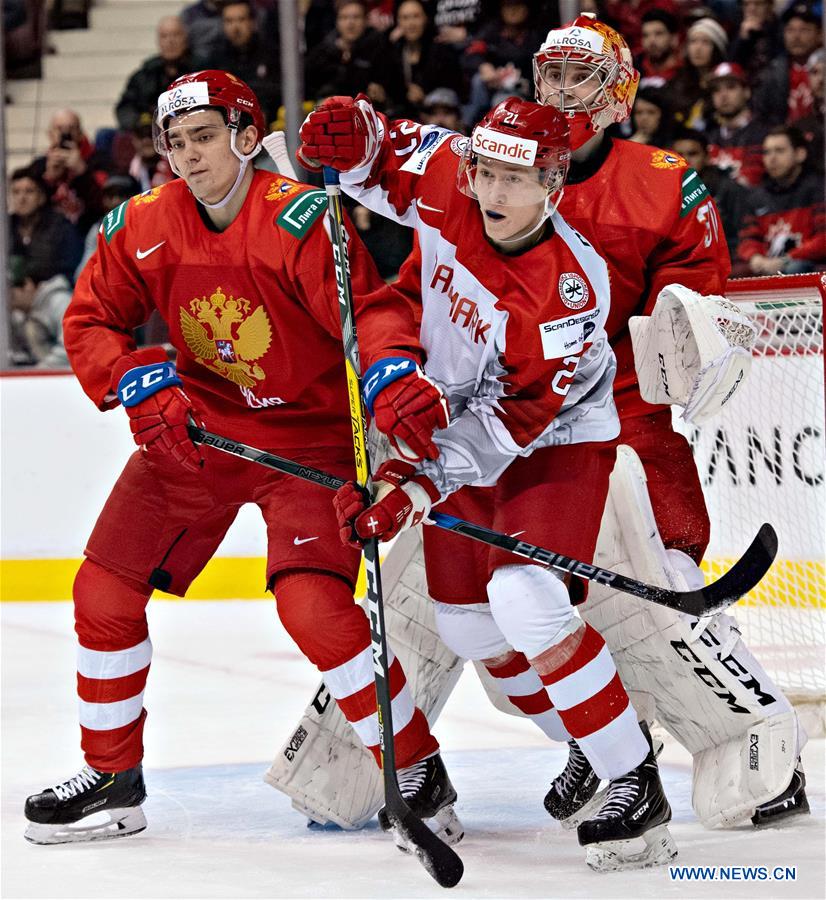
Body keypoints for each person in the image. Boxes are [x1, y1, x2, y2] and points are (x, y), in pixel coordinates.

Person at [290, 11, 808, 843]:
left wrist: (694, 349)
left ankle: (751, 739)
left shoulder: (662, 187)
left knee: (660, 584)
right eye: (552, 74)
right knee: (460, 613)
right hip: (477, 420)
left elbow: (690, 324)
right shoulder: (478, 175)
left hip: (610, 417)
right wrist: (394, 374)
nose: (563, 91)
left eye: (582, 77)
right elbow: (411, 265)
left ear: (618, 96)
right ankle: (585, 740)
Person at [22, 70, 459, 850]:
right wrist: (131, 378)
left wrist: (390, 371)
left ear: (248, 138)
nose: (189, 156)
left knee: (313, 608)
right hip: (198, 433)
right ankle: (113, 778)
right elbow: (91, 320)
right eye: (176, 143)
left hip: (310, 441)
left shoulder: (300, 220)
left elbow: (369, 313)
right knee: (102, 591)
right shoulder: (140, 223)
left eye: (204, 137)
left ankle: (416, 767)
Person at [302, 95, 677, 870]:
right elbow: (381, 153)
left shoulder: (568, 292)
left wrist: (410, 483)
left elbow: (511, 424)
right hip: (457, 421)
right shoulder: (452, 175)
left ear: (553, 185)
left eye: (517, 179)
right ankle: (591, 737)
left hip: (554, 441)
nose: (494, 192)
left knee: (525, 597)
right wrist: (352, 131)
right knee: (469, 629)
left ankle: (635, 779)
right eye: (487, 173)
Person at [736, 125, 825, 275]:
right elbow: (748, 239)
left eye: (780, 151)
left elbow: (823, 239)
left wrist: (787, 259)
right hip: (769, 266)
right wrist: (755, 257)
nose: (772, 158)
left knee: (795, 268)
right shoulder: (756, 196)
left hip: (806, 267)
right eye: (767, 152)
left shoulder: (820, 189)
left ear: (800, 154)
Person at [670, 127, 749, 258]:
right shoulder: (664, 191)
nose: (685, 160)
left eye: (693, 154)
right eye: (679, 155)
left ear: (707, 157)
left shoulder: (728, 189)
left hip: (721, 258)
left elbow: (741, 235)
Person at [30, 109, 108, 237]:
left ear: (80, 133)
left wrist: (82, 173)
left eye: (71, 128)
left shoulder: (98, 160)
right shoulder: (39, 165)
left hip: (88, 232)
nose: (65, 133)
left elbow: (104, 203)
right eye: (60, 129)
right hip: (49, 235)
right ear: (50, 134)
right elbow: (29, 207)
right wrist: (49, 179)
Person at [115, 16, 196, 131]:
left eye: (176, 35)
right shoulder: (144, 75)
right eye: (164, 36)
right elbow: (125, 108)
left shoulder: (201, 70)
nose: (170, 41)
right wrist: (138, 124)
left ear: (186, 38)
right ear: (158, 42)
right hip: (148, 132)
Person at [752, 0, 822, 126]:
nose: (796, 36)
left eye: (804, 30)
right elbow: (761, 118)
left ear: (820, 34)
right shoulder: (771, 73)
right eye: (790, 30)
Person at [8, 165, 83, 284]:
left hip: (50, 288)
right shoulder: (5, 227)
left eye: (29, 191)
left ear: (41, 197)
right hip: (9, 289)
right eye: (16, 192)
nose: (22, 198)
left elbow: (70, 267)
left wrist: (36, 284)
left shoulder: (61, 226)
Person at [704, 62, 770, 188]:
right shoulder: (707, 139)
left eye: (731, 87)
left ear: (746, 92)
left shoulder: (766, 136)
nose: (723, 95)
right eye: (716, 90)